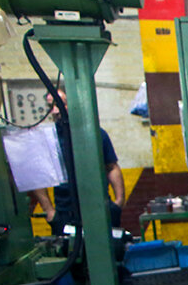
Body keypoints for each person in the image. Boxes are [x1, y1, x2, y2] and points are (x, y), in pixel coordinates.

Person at [29, 87, 125, 236]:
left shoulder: (96, 134)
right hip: (65, 214)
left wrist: (119, 201)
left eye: (60, 104)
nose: (55, 111)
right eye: (50, 106)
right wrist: (49, 211)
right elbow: (38, 176)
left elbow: (111, 166)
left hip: (101, 209)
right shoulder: (48, 140)